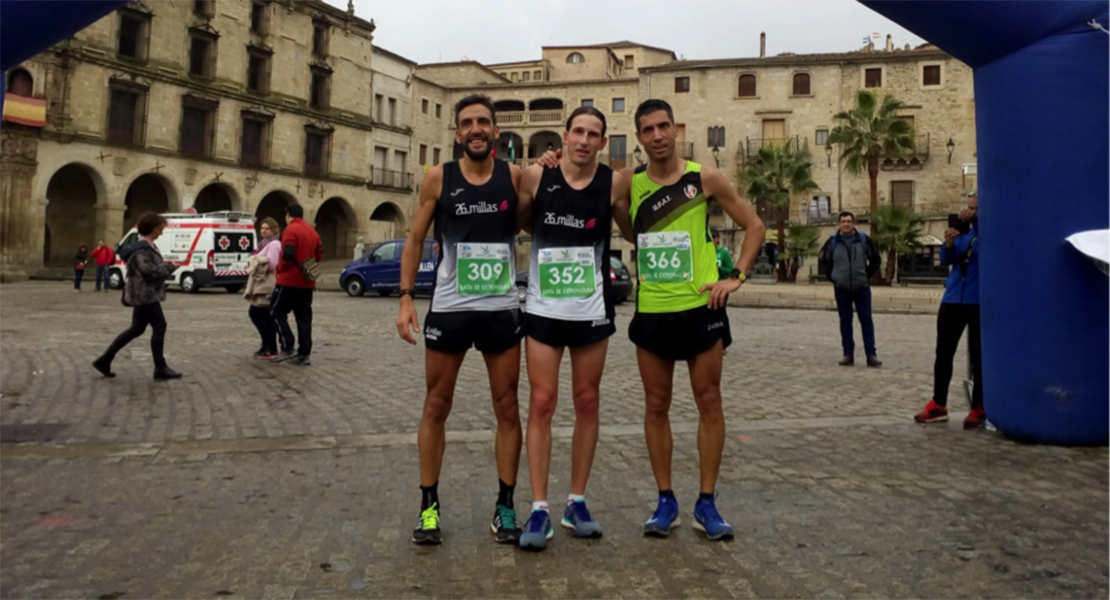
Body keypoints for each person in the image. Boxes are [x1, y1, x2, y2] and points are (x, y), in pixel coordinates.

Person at [541, 100, 765, 540]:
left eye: (664, 126)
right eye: (648, 129)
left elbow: (754, 226)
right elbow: (585, 183)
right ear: (639, 138)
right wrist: (550, 160)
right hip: (654, 311)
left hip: (702, 308)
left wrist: (734, 278)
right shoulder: (627, 181)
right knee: (656, 407)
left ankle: (707, 502)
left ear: (674, 129)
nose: (657, 135)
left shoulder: (705, 177)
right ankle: (665, 501)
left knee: (709, 402)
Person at [396, 94, 525, 546]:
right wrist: (407, 297)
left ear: (495, 131)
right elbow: (413, 241)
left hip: (500, 309)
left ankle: (505, 507)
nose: (476, 128)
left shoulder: (514, 176)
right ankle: (428, 507)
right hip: (449, 308)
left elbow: (547, 207)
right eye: (468, 122)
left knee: (507, 407)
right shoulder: (439, 178)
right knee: (436, 405)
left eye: (484, 122)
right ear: (457, 132)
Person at [515, 106, 626, 551]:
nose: (584, 140)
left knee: (587, 400)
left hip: (591, 308)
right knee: (542, 402)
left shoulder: (615, 183)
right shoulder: (536, 177)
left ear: (603, 141)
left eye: (593, 134)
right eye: (577, 131)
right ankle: (539, 507)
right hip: (543, 307)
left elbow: (635, 229)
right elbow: (521, 221)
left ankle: (575, 501)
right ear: (564, 137)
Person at [915, 194, 985, 428]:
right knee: (943, 353)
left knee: (978, 356)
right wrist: (948, 244)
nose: (970, 212)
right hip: (953, 298)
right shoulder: (963, 234)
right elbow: (947, 259)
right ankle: (939, 404)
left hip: (978, 300)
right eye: (969, 208)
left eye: (976, 209)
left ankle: (978, 406)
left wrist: (977, 222)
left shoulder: (987, 232)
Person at [92, 213, 181, 380]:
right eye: (160, 229)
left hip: (144, 294)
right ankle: (160, 367)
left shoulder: (147, 246)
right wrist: (171, 267)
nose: (161, 232)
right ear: (152, 229)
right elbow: (148, 271)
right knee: (159, 326)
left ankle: (105, 359)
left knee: (136, 329)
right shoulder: (141, 249)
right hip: (144, 295)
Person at [818, 212, 883, 367]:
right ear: (839, 224)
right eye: (843, 221)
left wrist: (865, 276)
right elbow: (824, 261)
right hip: (841, 288)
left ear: (854, 223)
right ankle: (848, 354)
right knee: (845, 321)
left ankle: (871, 354)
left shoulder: (863, 240)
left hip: (862, 287)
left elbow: (875, 259)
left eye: (848, 221)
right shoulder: (832, 242)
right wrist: (834, 277)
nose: (846, 224)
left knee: (866, 320)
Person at [271, 204, 321, 366]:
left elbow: (288, 253)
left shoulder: (291, 230)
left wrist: (280, 268)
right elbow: (319, 255)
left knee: (275, 311)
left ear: (288, 215)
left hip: (289, 280)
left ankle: (287, 345)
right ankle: (304, 352)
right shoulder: (313, 232)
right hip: (307, 283)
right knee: (304, 318)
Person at [246, 218, 282, 359]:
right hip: (260, 284)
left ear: (274, 230)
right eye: (262, 228)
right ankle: (266, 344)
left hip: (267, 284)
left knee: (259, 314)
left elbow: (272, 264)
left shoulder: (274, 244)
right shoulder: (263, 244)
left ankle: (271, 347)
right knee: (260, 315)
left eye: (267, 228)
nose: (264, 231)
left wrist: (256, 261)